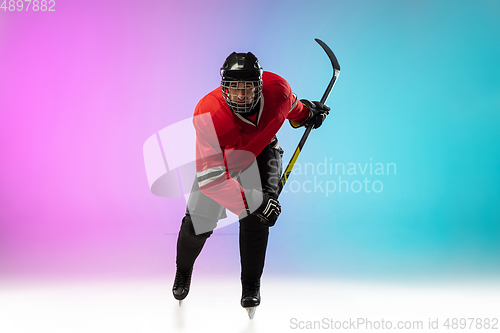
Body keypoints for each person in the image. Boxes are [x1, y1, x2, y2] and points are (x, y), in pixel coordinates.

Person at [172, 51, 330, 316]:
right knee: (197, 224)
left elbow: (292, 108)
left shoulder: (277, 89)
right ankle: (183, 270)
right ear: (224, 88)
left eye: (247, 89)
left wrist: (307, 115)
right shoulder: (207, 112)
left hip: (262, 153)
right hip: (220, 168)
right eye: (234, 89)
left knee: (258, 219)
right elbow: (212, 179)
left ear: (259, 85)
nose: (241, 96)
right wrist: (255, 201)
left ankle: (250, 286)